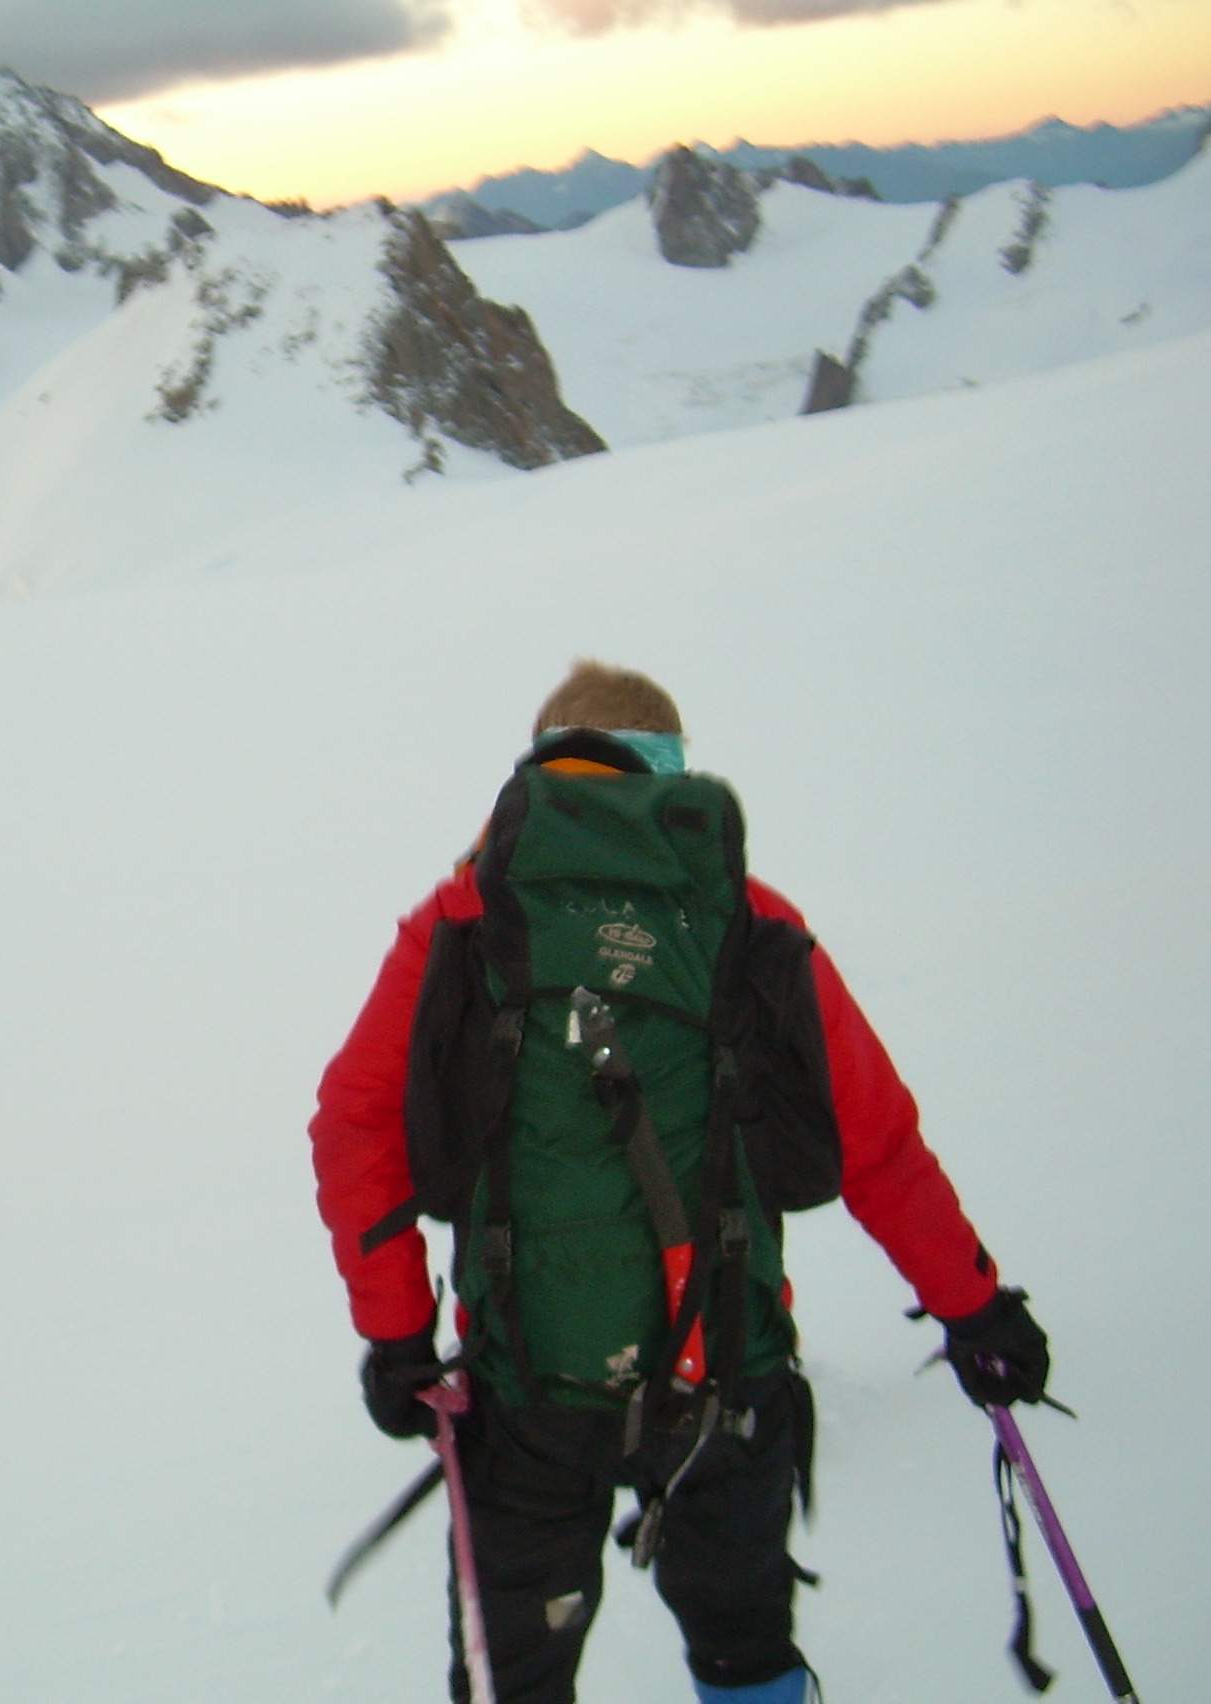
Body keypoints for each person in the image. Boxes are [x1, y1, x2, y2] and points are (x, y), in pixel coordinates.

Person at [309, 660, 1051, 1704]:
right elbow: (875, 1141)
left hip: (522, 1393)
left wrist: (394, 1337)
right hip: (727, 1379)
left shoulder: (462, 920)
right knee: (744, 1656)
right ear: (670, 772)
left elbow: (355, 1127)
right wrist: (973, 1308)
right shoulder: (751, 919)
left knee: (510, 1681)